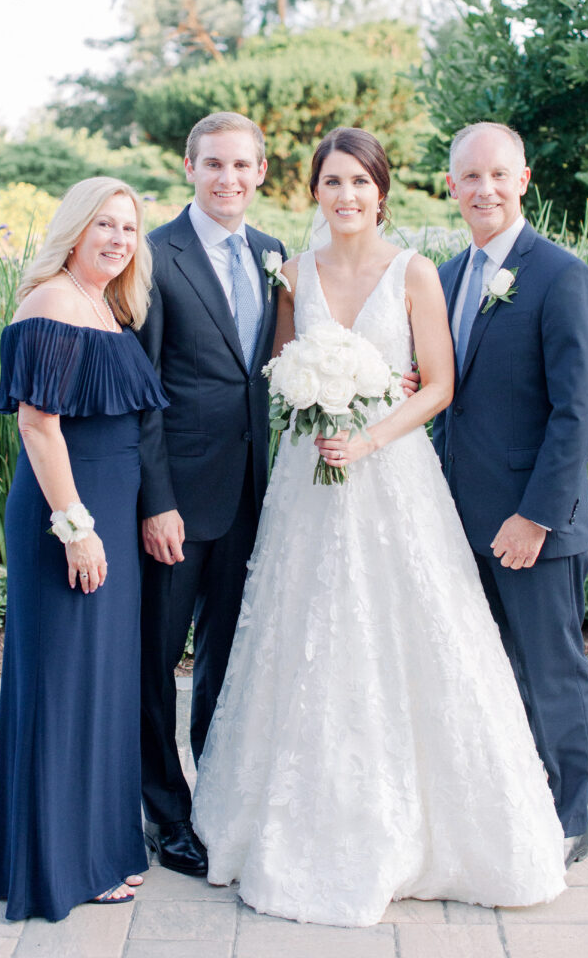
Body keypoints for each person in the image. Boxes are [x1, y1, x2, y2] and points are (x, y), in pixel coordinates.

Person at [190, 127, 567, 927]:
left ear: (382, 191)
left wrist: (366, 432)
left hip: (390, 474)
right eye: (331, 183)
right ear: (314, 192)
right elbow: (282, 368)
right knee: (304, 634)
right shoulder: (293, 273)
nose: (346, 197)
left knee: (416, 631)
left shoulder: (415, 271)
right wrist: (311, 399)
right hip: (309, 484)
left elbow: (437, 385)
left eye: (359, 183)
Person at [0, 177, 168, 921]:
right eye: (105, 225)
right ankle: (60, 866)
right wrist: (76, 527)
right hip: (69, 522)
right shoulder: (53, 302)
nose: (120, 239)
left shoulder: (108, 307)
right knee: (64, 690)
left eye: (129, 227)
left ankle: (92, 848)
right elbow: (38, 426)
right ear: (74, 229)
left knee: (98, 688)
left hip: (106, 519)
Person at [433, 122, 588, 867]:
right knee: (487, 672)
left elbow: (577, 412)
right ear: (450, 187)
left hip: (534, 521)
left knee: (549, 671)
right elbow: (451, 398)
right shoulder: (443, 278)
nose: (485, 190)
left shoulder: (560, 275)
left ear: (524, 180)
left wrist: (534, 517)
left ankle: (567, 818)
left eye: (499, 175)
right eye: (470, 177)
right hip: (457, 519)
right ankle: (507, 803)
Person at [138, 113, 287, 876]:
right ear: (188, 167)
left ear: (261, 171)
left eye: (242, 165)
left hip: (252, 496)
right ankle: (163, 814)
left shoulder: (273, 254)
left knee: (229, 660)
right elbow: (144, 392)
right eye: (214, 165)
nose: (228, 178)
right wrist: (154, 501)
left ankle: (216, 799)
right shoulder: (154, 255)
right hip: (177, 502)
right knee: (155, 661)